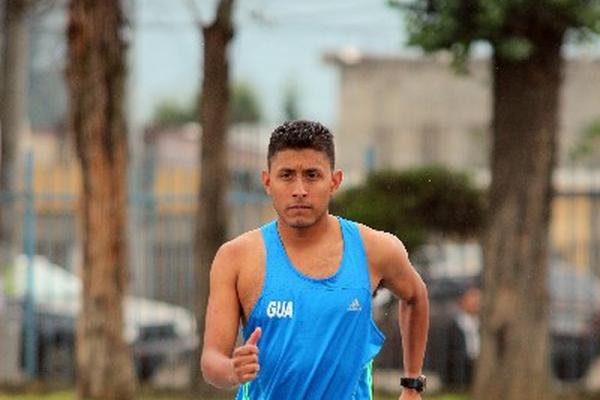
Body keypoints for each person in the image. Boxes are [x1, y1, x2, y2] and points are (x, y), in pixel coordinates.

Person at [201, 120, 429, 399]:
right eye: (286, 175)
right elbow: (212, 360)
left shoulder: (375, 250)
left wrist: (412, 384)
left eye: (312, 175)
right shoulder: (236, 257)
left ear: (334, 181)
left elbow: (416, 297)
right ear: (267, 181)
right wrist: (233, 371)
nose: (299, 189)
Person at [443, 282, 481, 389]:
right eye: (471, 298)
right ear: (462, 301)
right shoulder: (453, 326)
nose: (476, 302)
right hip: (462, 369)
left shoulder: (483, 324)